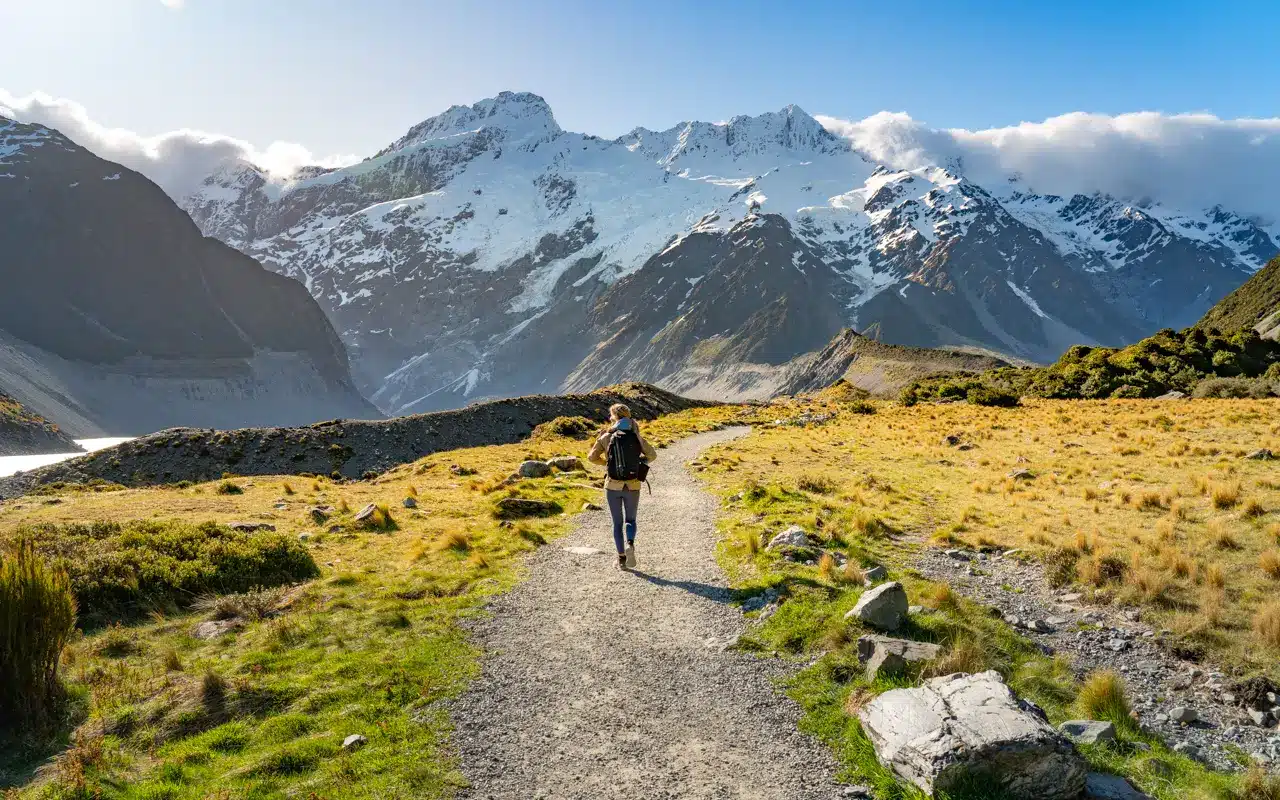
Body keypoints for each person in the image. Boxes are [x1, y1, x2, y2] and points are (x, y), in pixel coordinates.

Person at [587, 403, 657, 570]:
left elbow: (591, 457)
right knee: (630, 520)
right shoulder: (636, 435)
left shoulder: (606, 436)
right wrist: (640, 464)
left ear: (614, 417)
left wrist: (607, 464)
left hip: (612, 485)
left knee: (617, 523)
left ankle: (621, 559)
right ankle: (630, 544)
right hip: (633, 485)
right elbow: (652, 455)